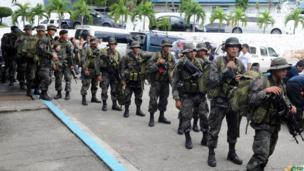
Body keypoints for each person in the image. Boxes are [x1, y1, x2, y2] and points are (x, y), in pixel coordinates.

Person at [246, 58, 297, 171]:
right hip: (263, 122)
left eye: (286, 69)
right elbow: (251, 100)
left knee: (269, 152)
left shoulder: (281, 83)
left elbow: (284, 98)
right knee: (261, 154)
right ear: (274, 70)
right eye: (282, 69)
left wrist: (290, 106)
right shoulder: (262, 81)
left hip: (275, 123)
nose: (285, 72)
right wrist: (265, 91)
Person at [207, 37, 245, 167]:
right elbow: (211, 81)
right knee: (214, 129)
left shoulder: (240, 64)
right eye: (232, 47)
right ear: (226, 49)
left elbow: (245, 85)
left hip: (234, 103)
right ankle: (211, 153)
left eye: (237, 47)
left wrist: (242, 80)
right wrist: (225, 70)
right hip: (219, 102)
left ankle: (231, 152)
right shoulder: (217, 62)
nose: (235, 49)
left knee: (234, 129)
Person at [172, 43, 209, 149]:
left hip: (200, 95)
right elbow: (175, 82)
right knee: (186, 117)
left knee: (204, 116)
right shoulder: (180, 65)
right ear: (185, 53)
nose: (193, 53)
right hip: (187, 95)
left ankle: (205, 136)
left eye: (194, 51)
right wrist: (177, 99)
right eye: (190, 51)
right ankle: (188, 137)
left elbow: (210, 71)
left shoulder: (201, 62)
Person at [147, 38, 175, 127]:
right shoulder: (156, 55)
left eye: (168, 46)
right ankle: (151, 118)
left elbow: (174, 69)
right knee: (153, 100)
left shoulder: (171, 57)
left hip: (166, 82)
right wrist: (158, 63)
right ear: (162, 47)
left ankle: (161, 116)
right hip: (156, 82)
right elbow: (150, 68)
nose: (167, 48)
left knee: (163, 101)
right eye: (166, 46)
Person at [120, 41, 147, 118]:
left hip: (139, 80)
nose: (137, 49)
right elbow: (122, 69)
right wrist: (123, 79)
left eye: (138, 47)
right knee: (127, 96)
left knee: (139, 97)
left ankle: (138, 110)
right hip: (129, 80)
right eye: (135, 47)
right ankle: (126, 110)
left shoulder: (142, 56)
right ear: (132, 48)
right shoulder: (126, 57)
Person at [192, 42, 210, 143]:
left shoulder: (207, 61)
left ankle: (205, 135)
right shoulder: (194, 61)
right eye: (200, 50)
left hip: (202, 92)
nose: (202, 52)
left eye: (204, 50)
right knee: (188, 111)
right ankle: (187, 124)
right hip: (192, 90)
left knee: (203, 114)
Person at [99, 37, 123, 111]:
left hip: (114, 74)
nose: (112, 46)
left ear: (115, 45)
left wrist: (120, 76)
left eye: (114, 44)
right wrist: (99, 74)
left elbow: (120, 65)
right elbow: (98, 63)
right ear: (109, 45)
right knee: (104, 89)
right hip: (106, 73)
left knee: (114, 89)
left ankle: (114, 104)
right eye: (111, 44)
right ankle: (104, 104)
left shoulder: (117, 53)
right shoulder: (103, 52)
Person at [17, 25, 39, 97]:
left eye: (30, 30)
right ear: (25, 30)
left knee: (33, 75)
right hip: (23, 58)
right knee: (24, 73)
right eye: (27, 30)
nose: (29, 31)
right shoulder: (21, 38)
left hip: (32, 59)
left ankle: (31, 89)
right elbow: (17, 48)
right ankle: (24, 85)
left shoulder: (35, 38)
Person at [37, 25, 57, 100]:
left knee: (49, 78)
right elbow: (41, 49)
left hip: (49, 61)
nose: (54, 32)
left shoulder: (50, 39)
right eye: (52, 30)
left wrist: (55, 50)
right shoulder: (44, 39)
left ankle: (43, 92)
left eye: (54, 31)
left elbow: (51, 49)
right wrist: (52, 54)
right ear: (48, 30)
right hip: (43, 61)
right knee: (46, 78)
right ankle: (43, 94)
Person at [80, 38, 102, 105]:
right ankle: (84, 98)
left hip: (95, 70)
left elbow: (99, 62)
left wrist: (99, 74)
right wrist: (85, 69)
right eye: (95, 42)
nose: (96, 44)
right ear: (91, 43)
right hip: (88, 69)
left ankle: (93, 97)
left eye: (97, 43)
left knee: (95, 85)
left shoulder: (98, 50)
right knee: (86, 84)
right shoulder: (86, 49)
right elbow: (82, 60)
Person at [53, 30, 74, 100]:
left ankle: (67, 93)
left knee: (68, 79)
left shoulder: (69, 43)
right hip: (58, 64)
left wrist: (71, 65)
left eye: (67, 35)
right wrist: (55, 50)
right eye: (65, 35)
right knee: (58, 79)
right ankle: (59, 93)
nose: (67, 36)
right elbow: (52, 52)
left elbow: (71, 55)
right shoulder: (56, 43)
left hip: (67, 64)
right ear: (61, 35)